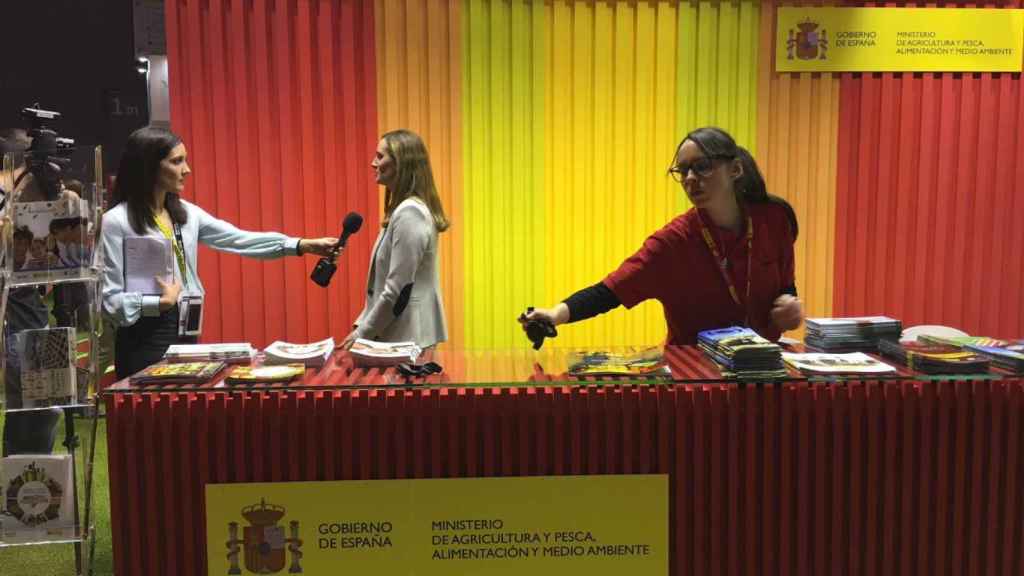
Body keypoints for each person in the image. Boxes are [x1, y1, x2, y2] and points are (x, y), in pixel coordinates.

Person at [520, 126, 803, 345]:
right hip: (695, 379)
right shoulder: (673, 242)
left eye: (702, 166)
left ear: (735, 169)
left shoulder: (774, 220)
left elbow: (785, 285)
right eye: (683, 171)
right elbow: (610, 291)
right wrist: (555, 314)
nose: (690, 178)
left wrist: (788, 305)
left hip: (762, 371)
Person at [101, 126, 339, 378]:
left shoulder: (187, 213)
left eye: (186, 160)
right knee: (148, 414)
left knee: (186, 411)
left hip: (187, 327)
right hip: (142, 337)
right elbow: (110, 300)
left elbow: (240, 239)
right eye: (177, 161)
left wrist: (300, 245)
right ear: (149, 166)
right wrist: (158, 303)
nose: (187, 169)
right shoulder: (116, 222)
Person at [341, 129, 449, 350]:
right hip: (399, 336)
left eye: (380, 157)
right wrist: (361, 325)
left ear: (401, 163)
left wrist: (362, 334)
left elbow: (397, 290)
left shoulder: (410, 213)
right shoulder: (402, 210)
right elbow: (381, 288)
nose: (373, 163)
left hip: (406, 339)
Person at [1, 131, 61, 456]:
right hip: (16, 322)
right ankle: (18, 489)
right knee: (27, 413)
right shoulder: (9, 196)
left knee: (43, 410)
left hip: (35, 318)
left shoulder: (35, 194)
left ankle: (30, 491)